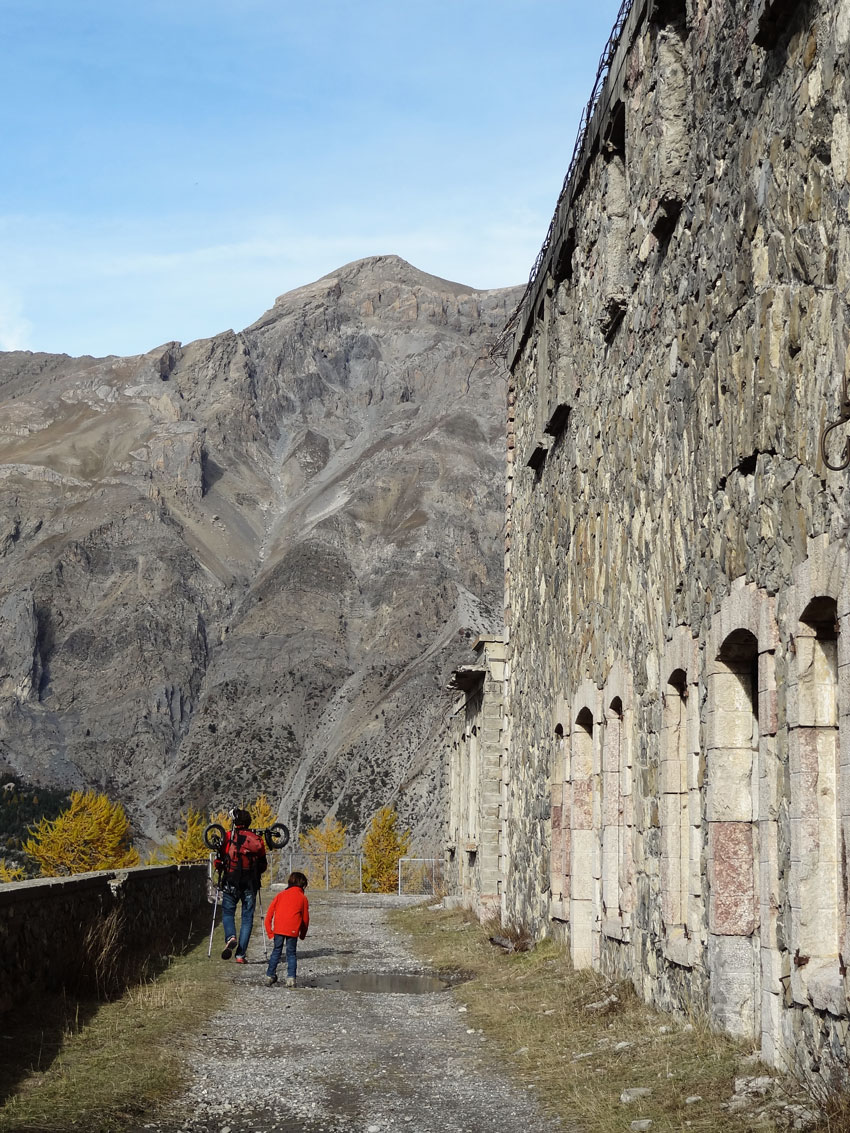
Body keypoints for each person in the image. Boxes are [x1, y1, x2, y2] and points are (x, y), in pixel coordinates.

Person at [215, 808, 267, 963]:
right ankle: (240, 955)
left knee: (228, 913)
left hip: (231, 881)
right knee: (247, 918)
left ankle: (230, 936)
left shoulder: (229, 837)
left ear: (235, 822)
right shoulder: (256, 840)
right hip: (250, 883)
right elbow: (263, 864)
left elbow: (219, 860)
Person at [264, 871, 309, 987]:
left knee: (276, 952)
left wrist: (270, 931)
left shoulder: (280, 895)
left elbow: (269, 915)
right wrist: (302, 934)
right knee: (291, 954)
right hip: (293, 929)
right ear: (302, 885)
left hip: (278, 929)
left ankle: (270, 975)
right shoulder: (302, 898)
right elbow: (305, 920)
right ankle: (291, 978)